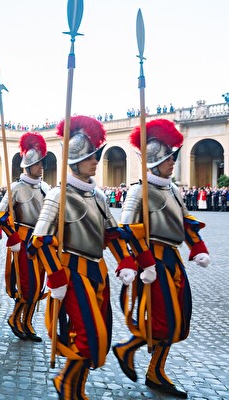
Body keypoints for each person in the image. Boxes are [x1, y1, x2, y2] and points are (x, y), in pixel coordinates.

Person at [29, 116, 136, 399]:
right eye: (90, 157)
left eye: (96, 156)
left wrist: (124, 260)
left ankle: (75, 388)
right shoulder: (57, 195)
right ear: (75, 160)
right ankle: (66, 381)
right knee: (90, 335)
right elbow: (39, 241)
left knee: (95, 333)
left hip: (97, 272)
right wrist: (55, 275)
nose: (95, 161)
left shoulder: (99, 196)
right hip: (72, 273)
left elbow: (112, 234)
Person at [113, 119, 211, 399]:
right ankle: (136, 356)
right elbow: (128, 230)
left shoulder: (172, 190)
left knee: (179, 316)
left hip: (173, 259)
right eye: (168, 159)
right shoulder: (138, 191)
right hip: (153, 263)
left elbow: (186, 221)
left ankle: (152, 366)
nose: (173, 163)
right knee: (164, 319)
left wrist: (198, 246)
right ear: (156, 161)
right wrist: (143, 262)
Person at [0, 131, 50, 342]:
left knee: (39, 286)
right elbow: (0, 216)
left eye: (42, 164)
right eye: (37, 164)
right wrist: (13, 238)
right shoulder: (16, 188)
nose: (41, 167)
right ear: (27, 166)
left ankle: (26, 321)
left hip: (40, 240)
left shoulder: (46, 188)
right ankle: (14, 318)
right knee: (27, 285)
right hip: (22, 240)